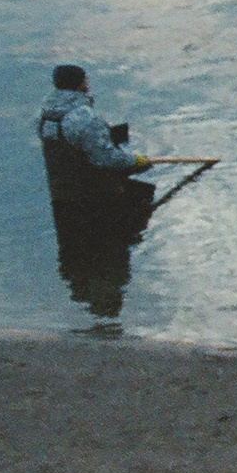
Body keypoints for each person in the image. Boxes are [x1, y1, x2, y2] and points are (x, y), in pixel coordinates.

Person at [37, 64, 155, 319]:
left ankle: (77, 285)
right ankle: (102, 284)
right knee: (111, 248)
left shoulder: (44, 116)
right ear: (83, 84)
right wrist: (136, 161)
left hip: (62, 198)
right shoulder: (85, 119)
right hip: (94, 199)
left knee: (73, 249)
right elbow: (105, 158)